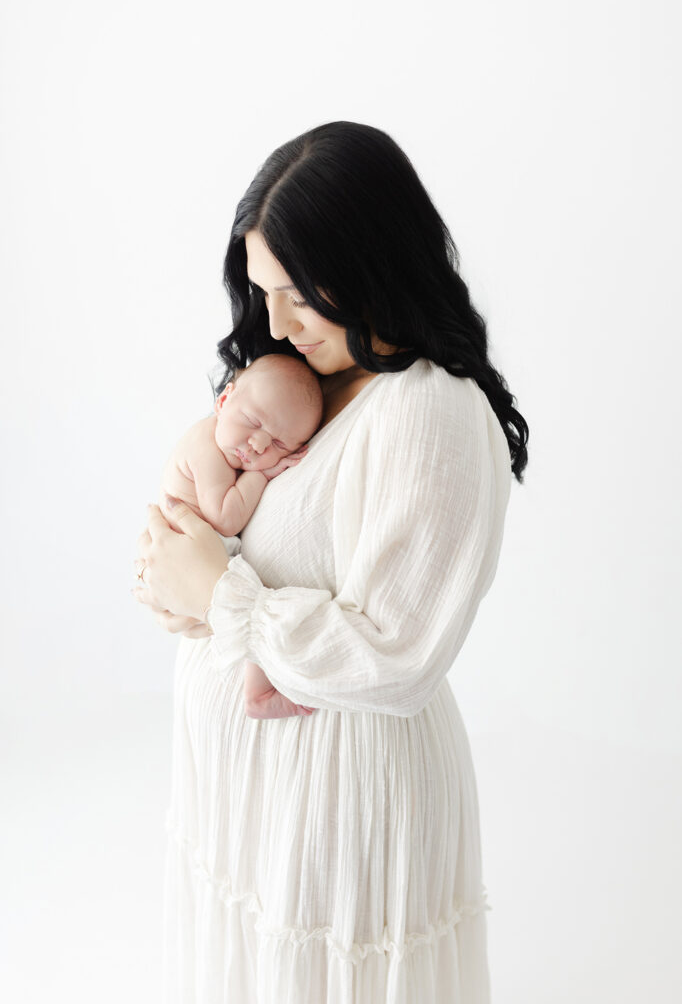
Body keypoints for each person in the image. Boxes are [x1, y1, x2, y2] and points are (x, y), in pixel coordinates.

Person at [132, 120, 529, 1003]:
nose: (274, 321)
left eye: (299, 293)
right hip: (249, 811)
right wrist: (176, 573)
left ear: (372, 261)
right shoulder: (305, 384)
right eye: (263, 291)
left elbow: (396, 656)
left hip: (343, 807)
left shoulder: (430, 411)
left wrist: (219, 594)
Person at [156, 352, 323, 718]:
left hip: (201, 559)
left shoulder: (228, 440)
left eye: (280, 445)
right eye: (253, 421)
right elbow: (226, 516)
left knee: (260, 598)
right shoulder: (207, 446)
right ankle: (258, 694)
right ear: (224, 399)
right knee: (256, 594)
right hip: (193, 559)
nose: (260, 445)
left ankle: (257, 690)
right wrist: (261, 475)